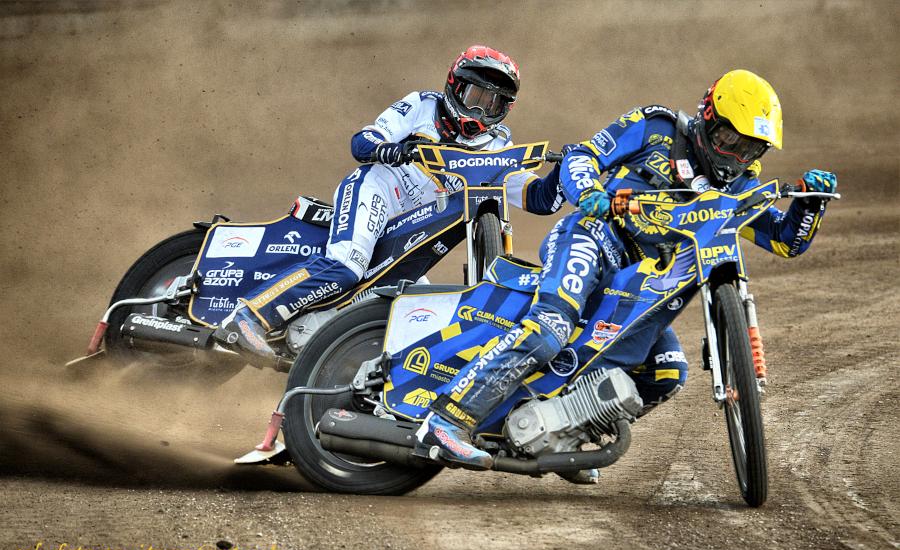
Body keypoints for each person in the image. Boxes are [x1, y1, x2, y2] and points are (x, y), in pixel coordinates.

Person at [415, 69, 838, 473]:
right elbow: (582, 155)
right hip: (593, 236)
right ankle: (446, 420)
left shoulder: (739, 186)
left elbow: (784, 240)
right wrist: (590, 191)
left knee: (667, 372)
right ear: (709, 118)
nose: (737, 157)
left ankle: (562, 437)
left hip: (641, 281)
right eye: (730, 141)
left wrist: (809, 204)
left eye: (751, 149)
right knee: (551, 327)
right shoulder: (656, 126)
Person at [213, 45, 565, 365]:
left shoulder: (498, 147)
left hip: (412, 227)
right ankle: (247, 318)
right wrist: (391, 149)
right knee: (347, 265)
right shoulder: (422, 106)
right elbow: (363, 141)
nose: (479, 110)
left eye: (492, 104)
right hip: (377, 190)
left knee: (419, 310)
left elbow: (539, 198)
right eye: (475, 96)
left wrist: (566, 171)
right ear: (455, 86)